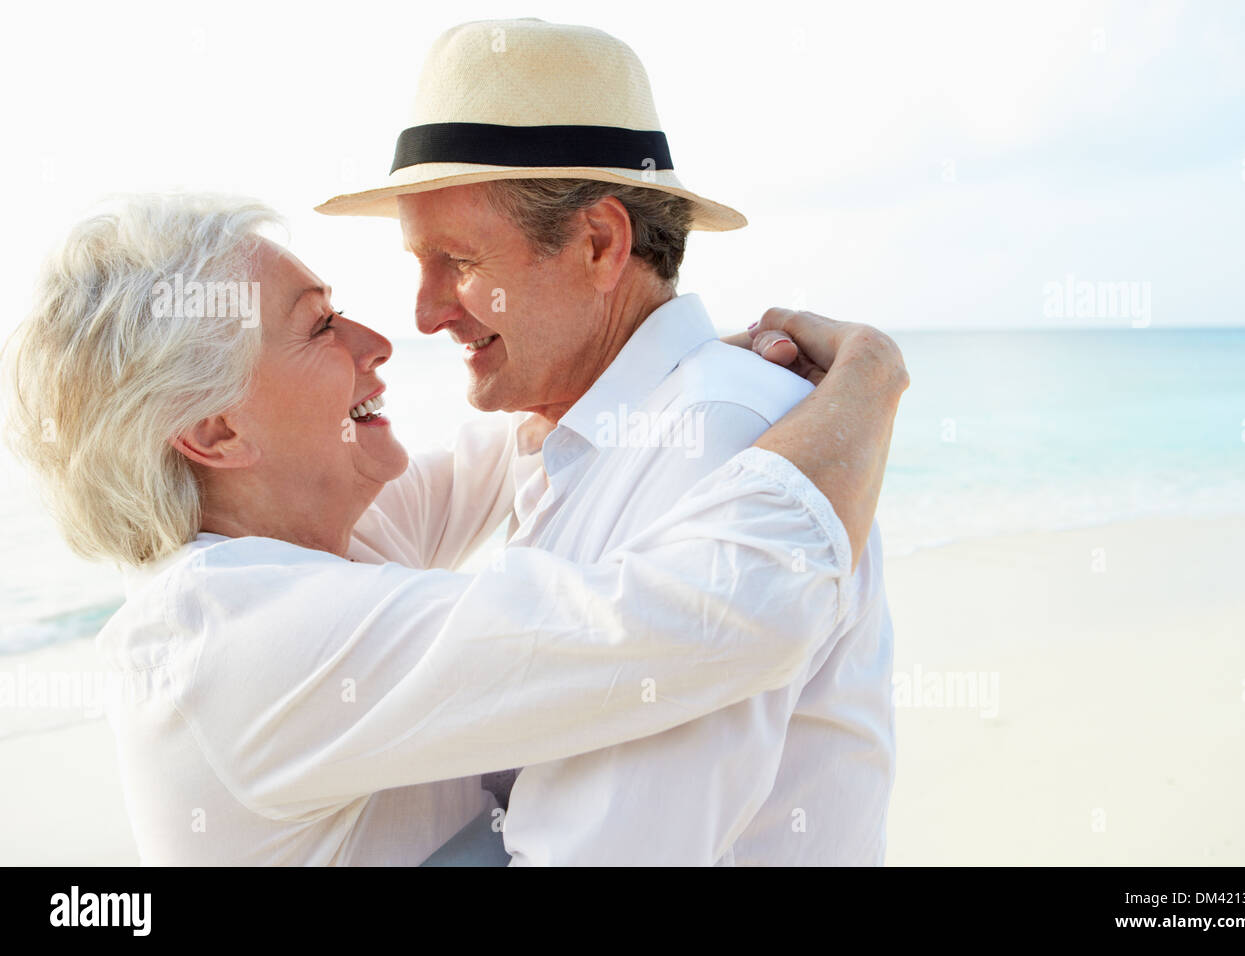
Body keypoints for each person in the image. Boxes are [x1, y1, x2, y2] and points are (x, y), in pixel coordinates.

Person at [1, 193, 908, 865]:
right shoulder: (237, 638)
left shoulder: (305, 535)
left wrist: (666, 364)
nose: (381, 338)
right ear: (216, 433)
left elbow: (532, 436)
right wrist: (867, 384)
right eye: (319, 327)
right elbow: (705, 617)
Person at [316, 17, 902, 864]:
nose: (425, 311)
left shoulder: (721, 434)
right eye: (419, 262)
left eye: (458, 259)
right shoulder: (586, 431)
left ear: (599, 242)